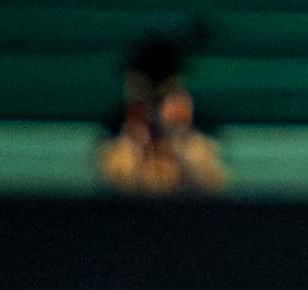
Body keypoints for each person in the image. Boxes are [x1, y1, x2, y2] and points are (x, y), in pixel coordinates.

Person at [95, 27, 229, 194]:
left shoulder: (196, 119)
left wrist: (179, 135)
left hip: (187, 212)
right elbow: (112, 181)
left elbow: (214, 184)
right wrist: (135, 139)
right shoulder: (121, 120)